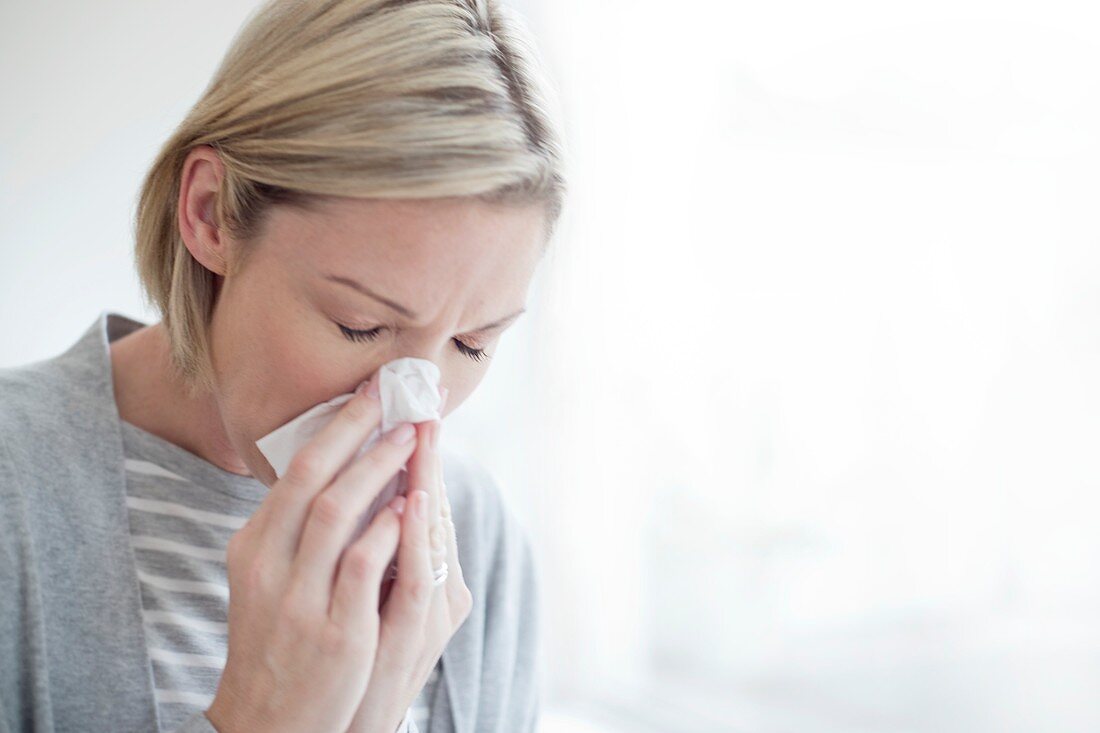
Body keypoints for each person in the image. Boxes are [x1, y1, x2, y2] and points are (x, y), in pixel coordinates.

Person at [0, 0, 566, 731]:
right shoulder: (16, 486)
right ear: (210, 214)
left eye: (473, 343)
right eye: (360, 324)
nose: (412, 407)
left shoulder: (475, 545)